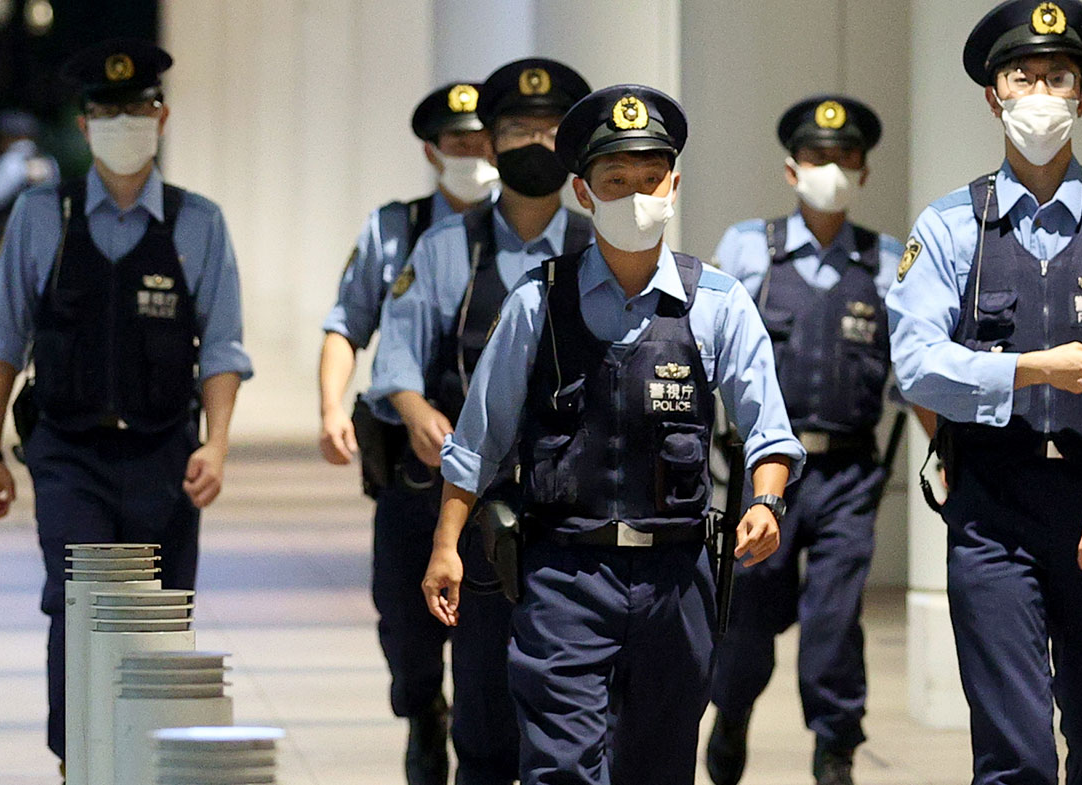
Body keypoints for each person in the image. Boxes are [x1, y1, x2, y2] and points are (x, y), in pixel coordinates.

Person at [420, 83, 806, 785]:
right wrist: (446, 543)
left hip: (676, 577)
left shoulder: (717, 304)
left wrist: (765, 501)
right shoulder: (538, 303)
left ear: (674, 184)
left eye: (649, 178)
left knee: (657, 768)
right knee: (561, 766)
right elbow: (479, 438)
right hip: (565, 572)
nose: (635, 194)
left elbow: (769, 432)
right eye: (615, 180)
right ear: (583, 190)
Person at [886, 2, 1082, 783]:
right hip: (992, 504)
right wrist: (1031, 368)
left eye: (1060, 77)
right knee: (1012, 747)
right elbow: (915, 362)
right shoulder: (952, 226)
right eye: (1024, 77)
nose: (1042, 92)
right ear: (995, 95)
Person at [0, 38, 251, 774]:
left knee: (158, 622)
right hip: (68, 452)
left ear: (161, 118)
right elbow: (3, 336)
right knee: (78, 605)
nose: (121, 121)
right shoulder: (41, 217)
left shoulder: (199, 224)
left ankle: (148, 766)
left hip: (164, 454)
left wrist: (215, 445)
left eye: (135, 108)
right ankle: (79, 762)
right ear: (85, 120)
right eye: (106, 110)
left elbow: (222, 348)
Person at [370, 57, 593, 785]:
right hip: (473, 499)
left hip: (574, 505)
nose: (535, 140)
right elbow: (395, 362)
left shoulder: (600, 250)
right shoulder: (445, 248)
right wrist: (417, 410)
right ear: (490, 143)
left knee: (576, 705)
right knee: (484, 706)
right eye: (517, 128)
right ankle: (433, 725)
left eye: (550, 128)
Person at [706, 95, 900, 785]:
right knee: (748, 618)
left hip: (848, 471)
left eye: (847, 158)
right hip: (763, 471)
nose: (833, 169)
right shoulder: (748, 248)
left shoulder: (885, 262)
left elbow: (914, 367)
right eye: (819, 158)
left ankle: (835, 747)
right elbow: (714, 351)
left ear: (865, 172)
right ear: (792, 170)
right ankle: (729, 715)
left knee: (834, 617)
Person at [317, 80, 495, 785]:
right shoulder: (394, 228)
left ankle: (478, 741)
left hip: (488, 465)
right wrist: (332, 406)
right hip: (410, 467)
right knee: (404, 618)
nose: (474, 156)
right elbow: (346, 323)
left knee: (486, 622)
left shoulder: (520, 232)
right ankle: (424, 710)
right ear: (432, 150)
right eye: (459, 144)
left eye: (484, 143)